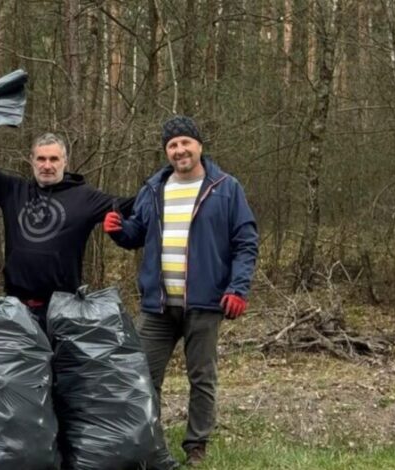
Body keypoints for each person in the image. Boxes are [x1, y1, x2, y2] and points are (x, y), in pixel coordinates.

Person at [104, 115, 258, 467]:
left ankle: (196, 446)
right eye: (172, 145)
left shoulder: (225, 188)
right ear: (166, 152)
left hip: (204, 302)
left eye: (185, 142)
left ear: (199, 146)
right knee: (142, 375)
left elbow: (245, 242)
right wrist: (118, 230)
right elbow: (136, 234)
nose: (179, 150)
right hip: (158, 304)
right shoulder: (154, 188)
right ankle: (148, 442)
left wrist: (238, 287)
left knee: (201, 377)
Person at [0, 111, 133, 324]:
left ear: (65, 161)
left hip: (63, 311)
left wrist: (167, 180)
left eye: (54, 159)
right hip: (16, 308)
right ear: (31, 160)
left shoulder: (85, 198)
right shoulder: (13, 191)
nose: (47, 165)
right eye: (41, 158)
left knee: (59, 359)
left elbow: (130, 204)